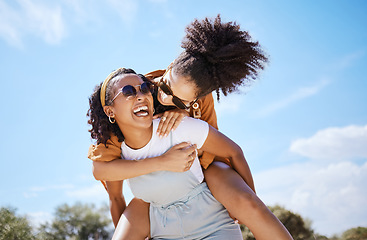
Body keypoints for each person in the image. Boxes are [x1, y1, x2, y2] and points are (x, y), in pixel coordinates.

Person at [88, 15, 293, 240]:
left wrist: (246, 201)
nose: (165, 98)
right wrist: (163, 162)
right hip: (156, 192)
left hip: (205, 169)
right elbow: (103, 172)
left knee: (248, 204)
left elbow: (225, 150)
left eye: (178, 100)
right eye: (163, 88)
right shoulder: (137, 96)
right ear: (168, 69)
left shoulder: (194, 106)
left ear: (194, 98)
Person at [89, 69, 245, 239]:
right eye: (128, 91)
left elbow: (232, 151)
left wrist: (183, 111)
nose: (140, 95)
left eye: (144, 88)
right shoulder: (112, 145)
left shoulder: (179, 110)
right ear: (110, 111)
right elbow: (111, 190)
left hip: (208, 202)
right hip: (160, 221)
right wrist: (163, 162)